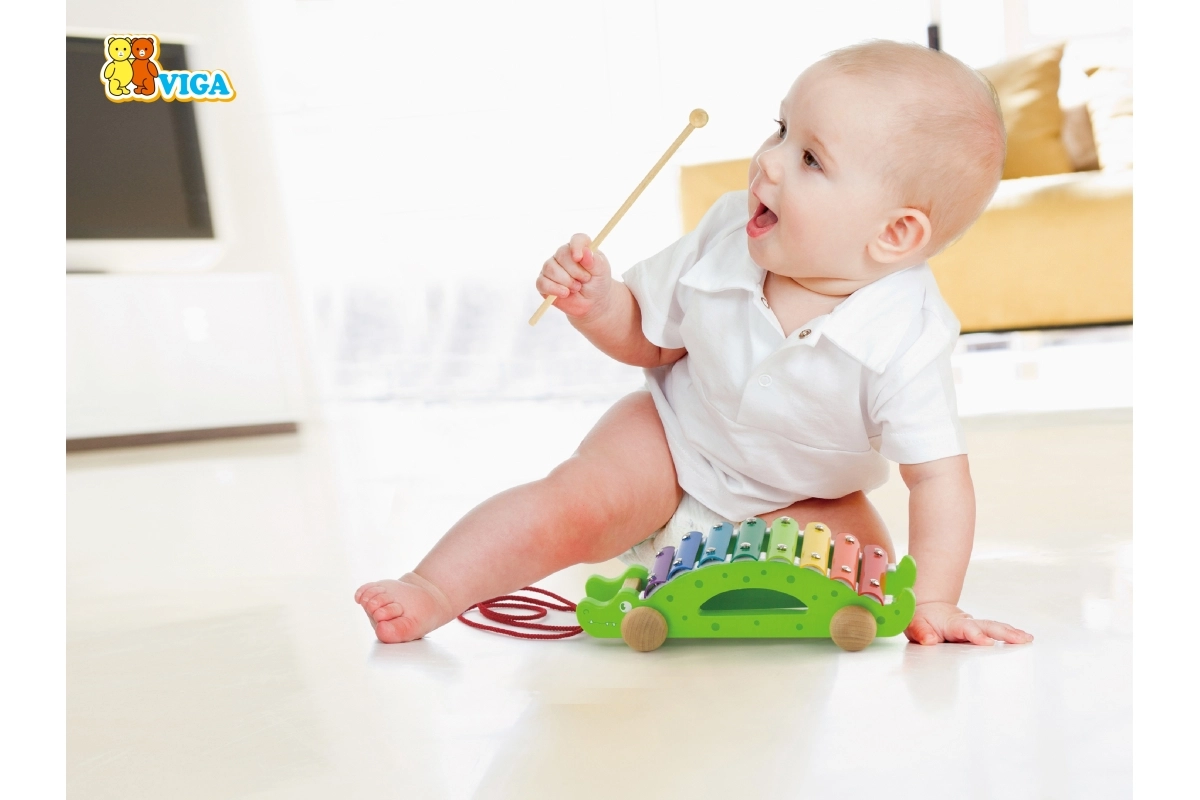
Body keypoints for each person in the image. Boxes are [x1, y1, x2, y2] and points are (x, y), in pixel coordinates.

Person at [355, 39, 1034, 647]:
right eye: (780, 130)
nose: (767, 162)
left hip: (805, 494)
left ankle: (725, 594)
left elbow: (937, 478)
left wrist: (934, 601)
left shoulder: (907, 336)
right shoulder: (727, 233)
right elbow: (649, 340)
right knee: (571, 505)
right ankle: (433, 587)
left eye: (808, 158)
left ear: (894, 234)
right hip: (671, 440)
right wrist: (598, 304)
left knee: (864, 577)